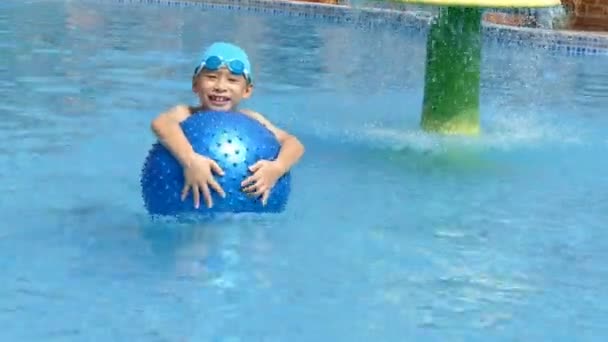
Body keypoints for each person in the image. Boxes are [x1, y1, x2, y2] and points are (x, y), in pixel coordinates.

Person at [150, 42, 304, 210]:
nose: (220, 87)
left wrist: (277, 168)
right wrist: (190, 161)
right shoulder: (186, 114)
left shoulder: (251, 120)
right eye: (211, 77)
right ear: (195, 84)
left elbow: (293, 143)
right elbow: (161, 124)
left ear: (247, 90)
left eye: (232, 80)